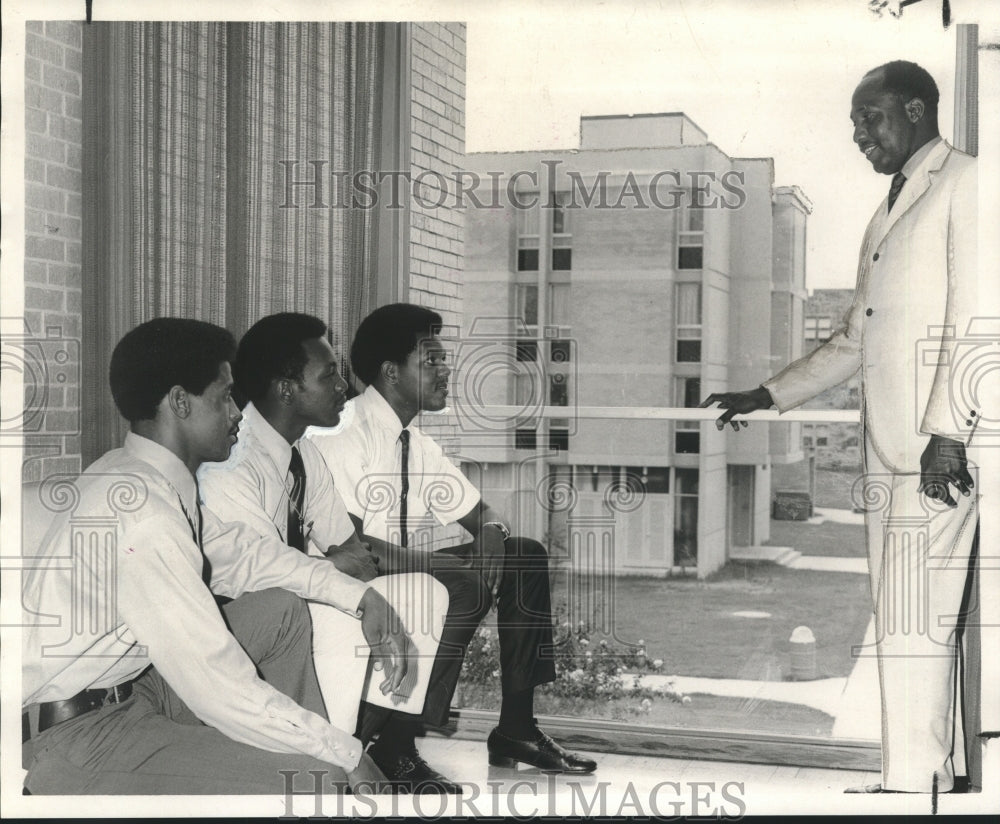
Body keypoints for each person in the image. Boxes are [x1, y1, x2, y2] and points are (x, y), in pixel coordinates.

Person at [701, 61, 982, 794]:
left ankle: (908, 786)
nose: (859, 134)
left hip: (937, 448)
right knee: (907, 619)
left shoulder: (970, 184)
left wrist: (948, 432)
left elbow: (982, 322)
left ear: (917, 110)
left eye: (873, 117)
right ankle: (930, 775)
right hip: (897, 450)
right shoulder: (889, 212)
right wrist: (768, 394)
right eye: (857, 121)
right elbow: (858, 338)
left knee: (914, 622)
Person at [21, 318, 411, 794]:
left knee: (280, 612)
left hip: (137, 688)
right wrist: (345, 753)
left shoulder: (135, 473)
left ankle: (272, 759)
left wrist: (359, 597)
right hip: (81, 736)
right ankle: (297, 773)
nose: (238, 412)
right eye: (224, 397)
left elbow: (245, 556)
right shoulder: (144, 514)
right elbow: (215, 683)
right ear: (180, 402)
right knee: (319, 778)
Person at [307, 303, 598, 775]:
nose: (446, 371)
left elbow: (482, 513)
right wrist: (450, 566)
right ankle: (395, 744)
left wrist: (489, 533)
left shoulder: (416, 443)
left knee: (523, 555)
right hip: (347, 574)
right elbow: (352, 546)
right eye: (432, 361)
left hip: (396, 565)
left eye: (444, 360)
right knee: (463, 583)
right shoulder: (344, 433)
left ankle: (516, 731)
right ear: (390, 372)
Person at [198, 313, 455, 794]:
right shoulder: (234, 461)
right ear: (287, 390)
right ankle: (322, 767)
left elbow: (352, 551)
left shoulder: (301, 453)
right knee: (334, 613)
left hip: (293, 595)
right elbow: (264, 580)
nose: (345, 386)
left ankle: (360, 740)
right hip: (240, 622)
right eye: (329, 375)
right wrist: (333, 572)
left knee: (423, 594)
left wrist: (330, 569)